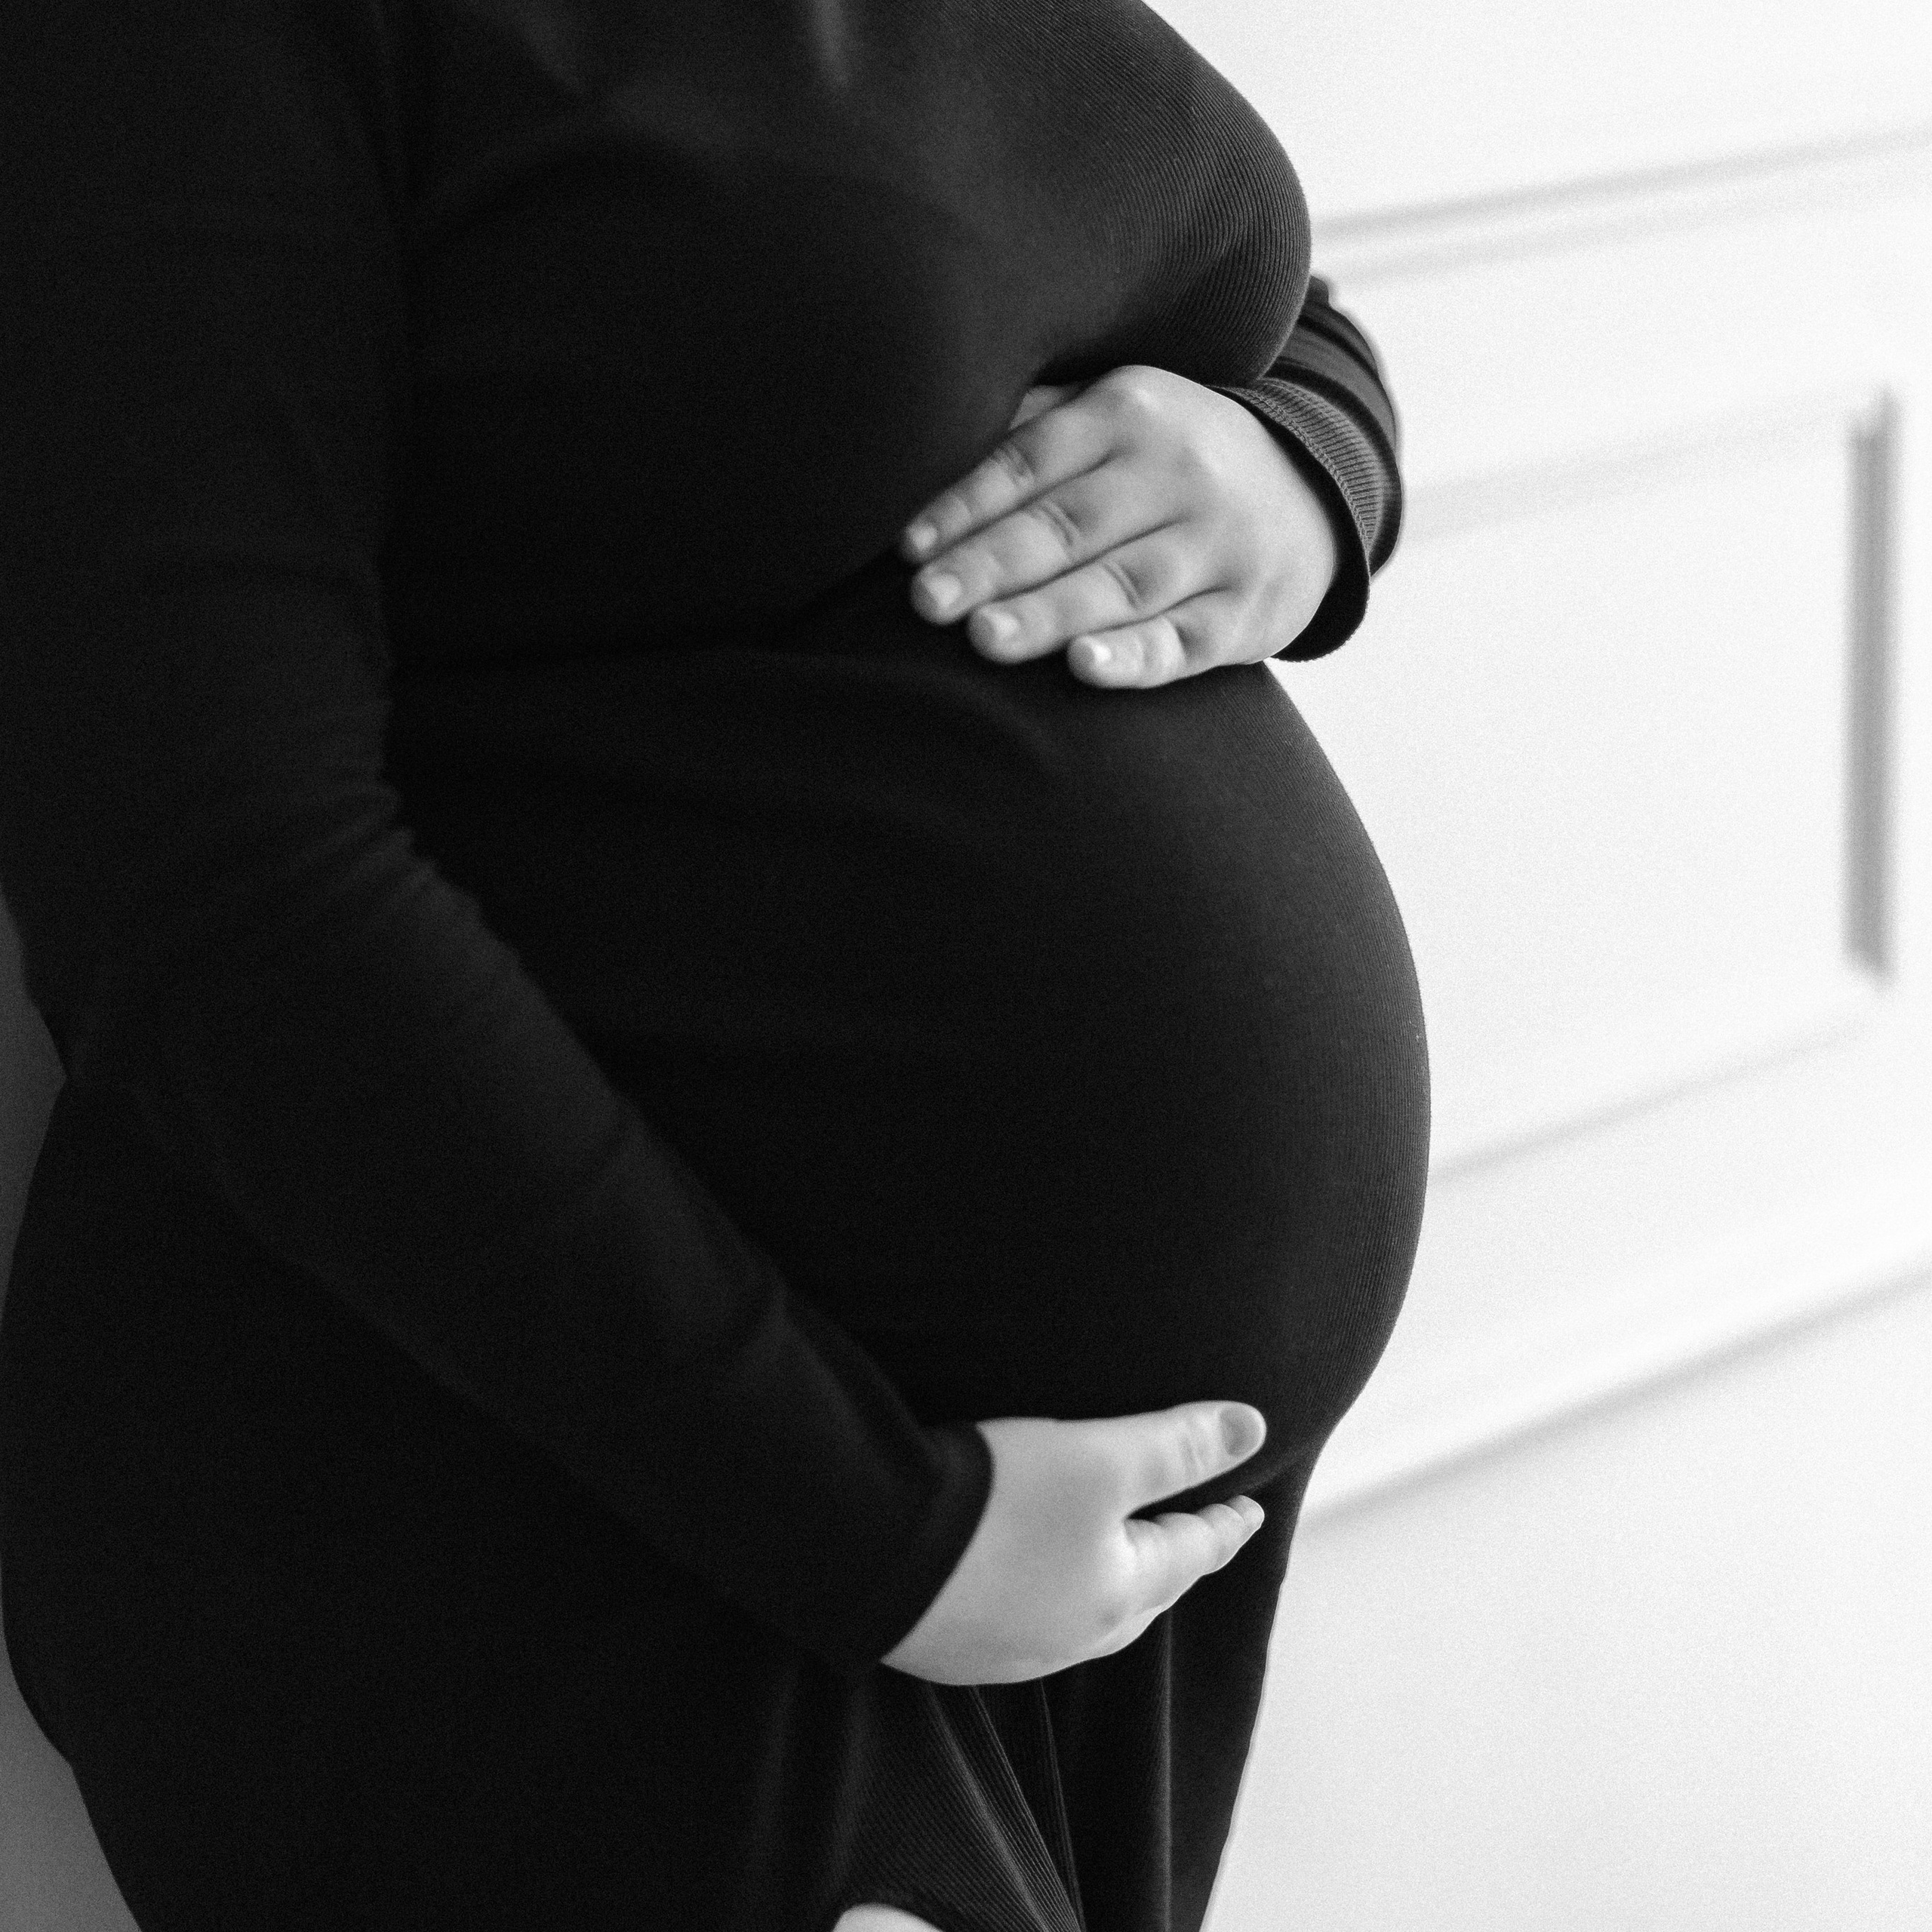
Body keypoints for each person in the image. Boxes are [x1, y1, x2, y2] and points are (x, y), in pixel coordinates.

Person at [0, 3, 1429, 1929]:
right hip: (563, 1510)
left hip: (1031, 1558)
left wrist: (1304, 468)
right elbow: (195, 867)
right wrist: (876, 1528)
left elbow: (1197, 263)